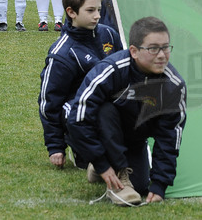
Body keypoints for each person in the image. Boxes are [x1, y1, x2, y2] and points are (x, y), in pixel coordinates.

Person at [67, 16, 187, 206]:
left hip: (133, 140)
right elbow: (78, 118)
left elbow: (169, 136)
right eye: (153, 48)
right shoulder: (111, 70)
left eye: (165, 47)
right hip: (101, 132)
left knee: (140, 186)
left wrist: (159, 184)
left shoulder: (174, 85)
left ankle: (106, 167)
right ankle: (114, 173)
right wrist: (102, 163)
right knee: (104, 110)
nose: (162, 55)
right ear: (134, 51)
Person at [38, 0, 122, 170]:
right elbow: (49, 102)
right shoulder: (62, 54)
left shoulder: (109, 34)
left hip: (110, 106)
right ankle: (80, 149)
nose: (98, 16)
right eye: (90, 10)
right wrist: (55, 146)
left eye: (99, 9)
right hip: (80, 111)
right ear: (71, 12)